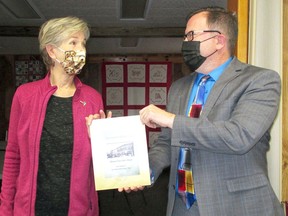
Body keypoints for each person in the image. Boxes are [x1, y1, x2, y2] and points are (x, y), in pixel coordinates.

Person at [121, 6, 284, 216]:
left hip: (236, 206)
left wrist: (171, 120)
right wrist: (145, 171)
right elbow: (166, 142)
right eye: (185, 36)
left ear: (219, 40)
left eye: (192, 35)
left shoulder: (260, 80)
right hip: (182, 206)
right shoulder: (178, 88)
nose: (185, 42)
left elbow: (239, 136)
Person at [0, 16, 104, 215]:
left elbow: (98, 164)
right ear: (52, 50)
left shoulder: (92, 99)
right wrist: (5, 209)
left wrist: (102, 139)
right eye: (73, 42)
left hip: (78, 209)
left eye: (83, 43)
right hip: (31, 209)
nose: (81, 50)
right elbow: (13, 156)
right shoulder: (24, 95)